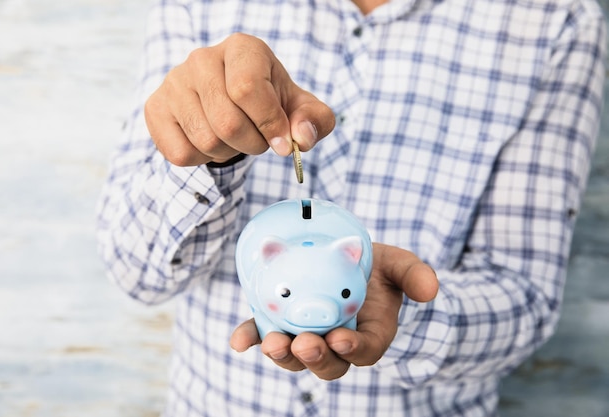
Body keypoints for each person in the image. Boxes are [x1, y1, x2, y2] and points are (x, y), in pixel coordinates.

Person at [96, 0, 606, 414]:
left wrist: (408, 315)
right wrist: (210, 157)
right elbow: (135, 273)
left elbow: (526, 297)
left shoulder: (559, 18)